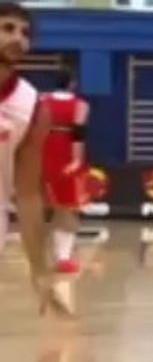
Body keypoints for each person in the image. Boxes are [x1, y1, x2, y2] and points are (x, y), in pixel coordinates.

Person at [0, 2, 63, 316]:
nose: (18, 38)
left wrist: (39, 268)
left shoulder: (32, 106)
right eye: (7, 28)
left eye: (25, 33)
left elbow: (27, 195)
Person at [40, 68, 89, 274]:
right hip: (66, 154)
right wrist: (77, 159)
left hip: (43, 151)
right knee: (68, 208)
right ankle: (63, 258)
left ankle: (41, 255)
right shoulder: (80, 105)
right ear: (72, 84)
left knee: (42, 207)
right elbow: (78, 134)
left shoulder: (42, 101)